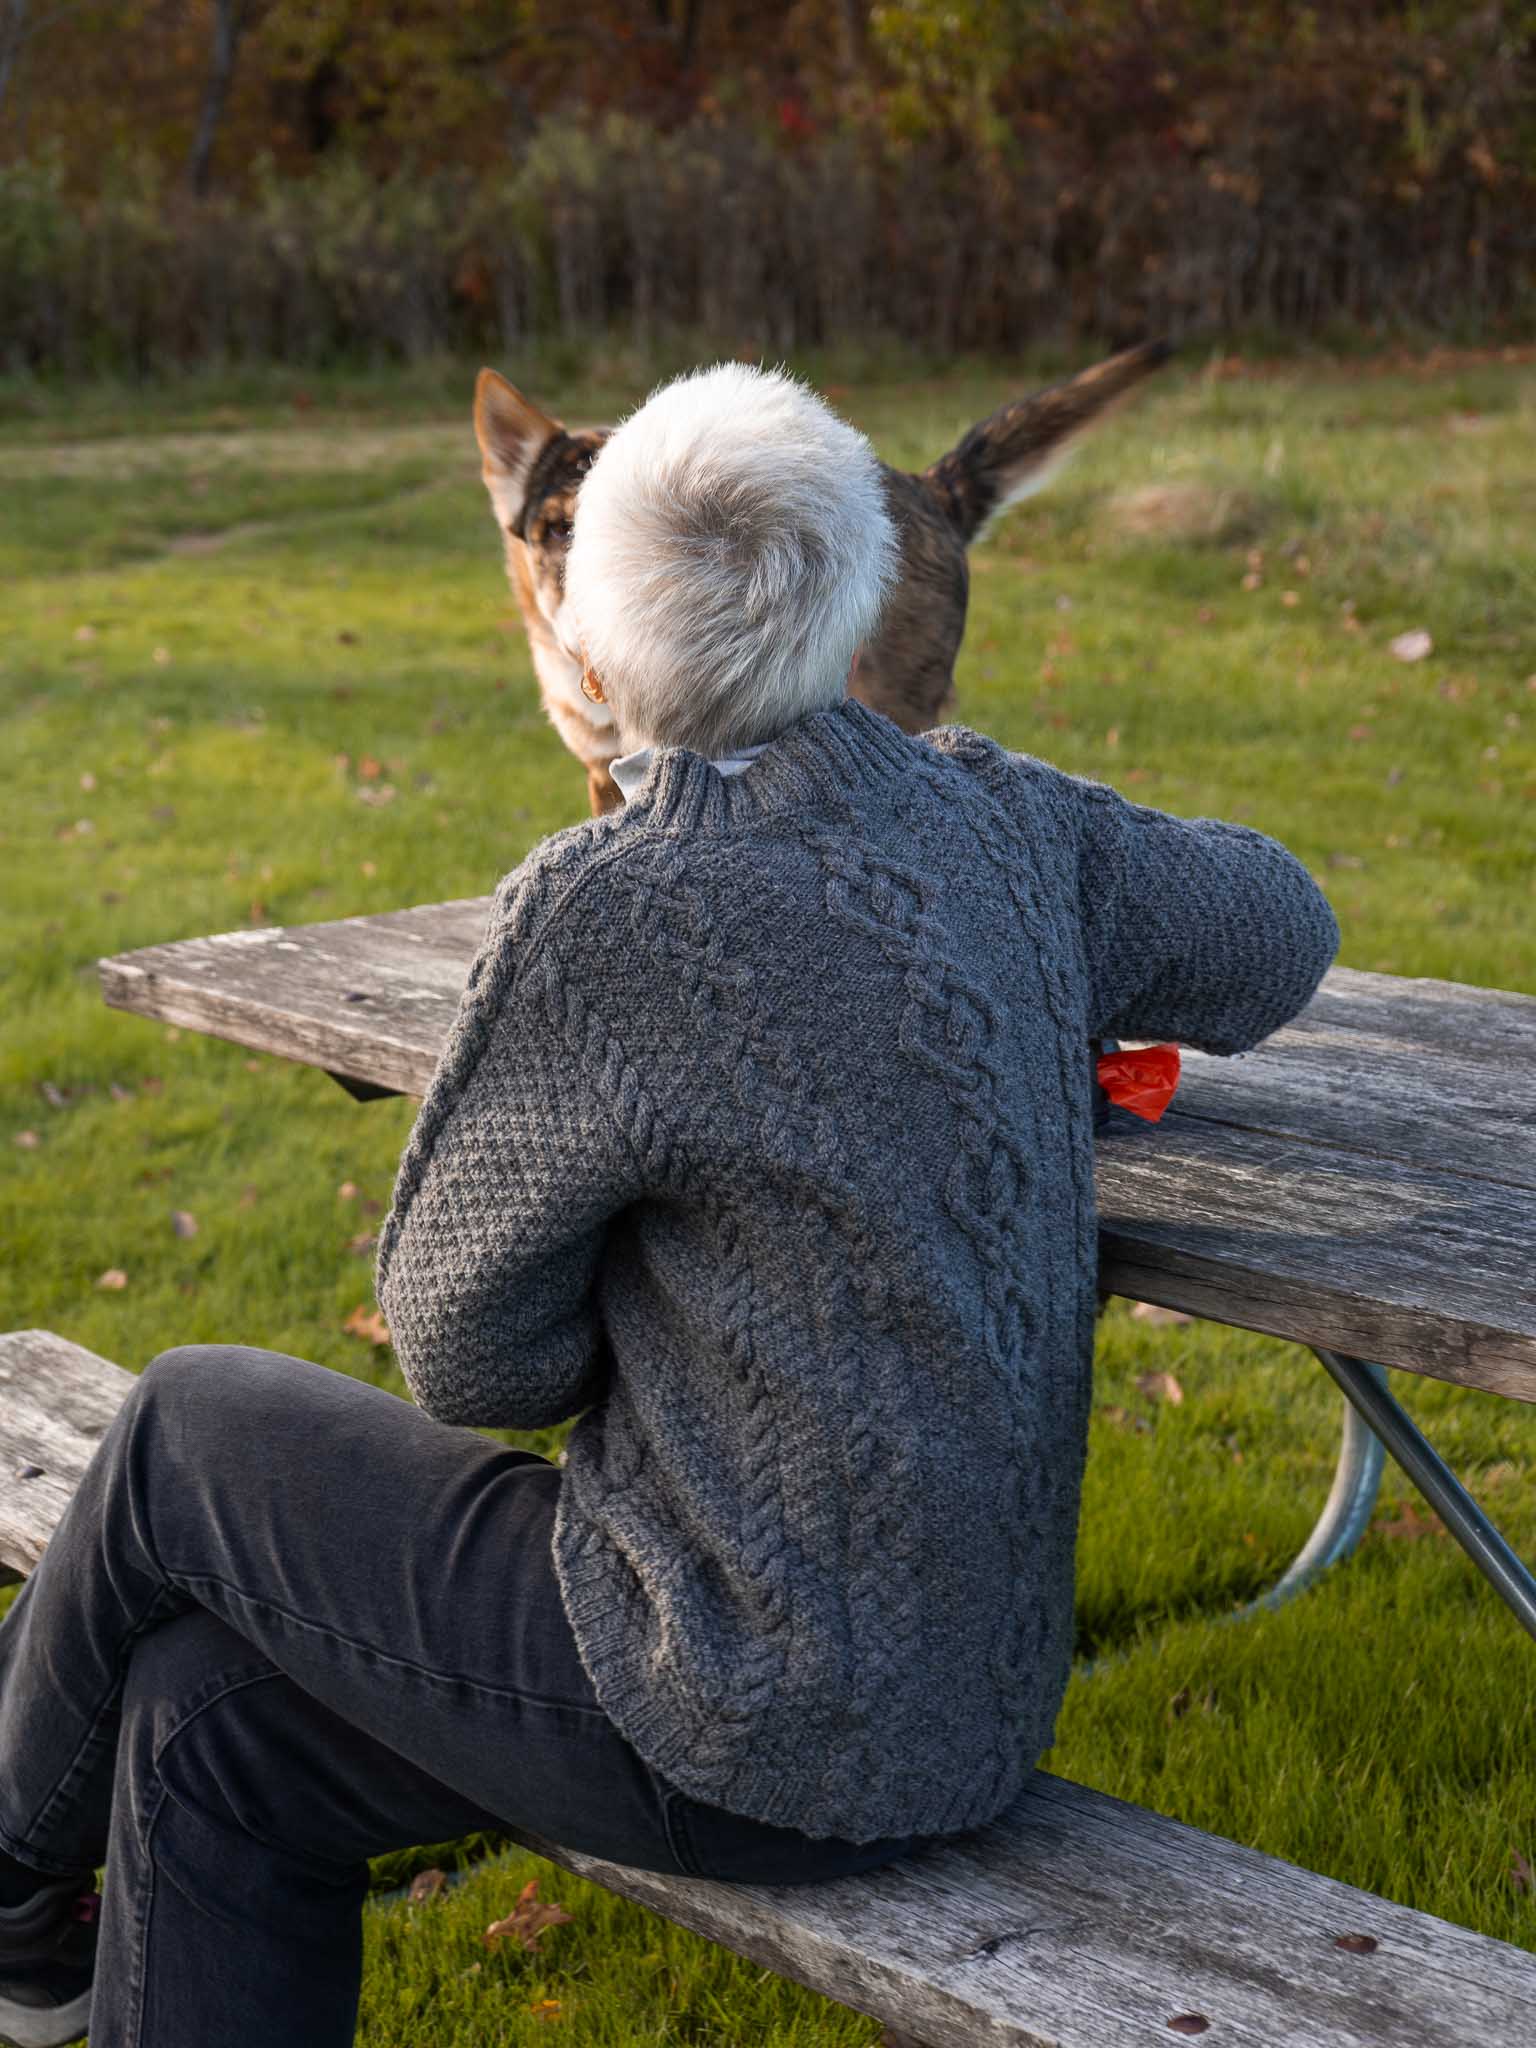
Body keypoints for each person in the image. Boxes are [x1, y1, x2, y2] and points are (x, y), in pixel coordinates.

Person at [0, 363, 1339, 2048]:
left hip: (735, 1707)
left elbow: (469, 1362)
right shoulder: (1007, 820)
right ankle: (39, 1963)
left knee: (186, 1427)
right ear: (861, 592)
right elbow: (1280, 928)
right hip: (974, 1695)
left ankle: (2, 1880)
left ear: (588, 634)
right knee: (210, 1723)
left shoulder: (606, 910)